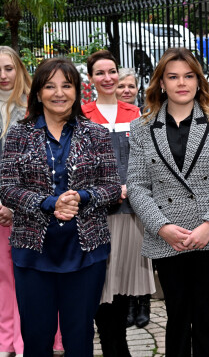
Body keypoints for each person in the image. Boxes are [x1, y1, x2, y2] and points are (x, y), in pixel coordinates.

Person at [0, 57, 121, 357]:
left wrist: (82, 197)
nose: (59, 93)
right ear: (38, 92)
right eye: (50, 86)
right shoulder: (18, 134)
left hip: (85, 252)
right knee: (37, 339)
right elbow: (7, 187)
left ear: (78, 91)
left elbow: (112, 187)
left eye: (66, 85)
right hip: (33, 253)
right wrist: (49, 203)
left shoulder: (96, 134)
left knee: (79, 338)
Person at [127, 47, 209, 356]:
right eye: (173, 77)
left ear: (199, 82)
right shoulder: (142, 127)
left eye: (188, 76)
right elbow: (136, 185)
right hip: (168, 240)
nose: (181, 83)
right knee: (177, 319)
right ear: (161, 83)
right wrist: (162, 227)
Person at [82, 50, 156, 356]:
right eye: (100, 73)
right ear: (91, 79)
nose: (108, 78)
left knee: (124, 283)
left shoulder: (137, 114)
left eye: (111, 71)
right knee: (102, 286)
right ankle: (113, 346)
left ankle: (119, 345)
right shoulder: (82, 114)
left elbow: (147, 158)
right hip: (97, 215)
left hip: (131, 213)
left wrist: (133, 186)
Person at [114, 66, 154, 329]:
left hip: (142, 191)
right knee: (123, 255)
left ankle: (144, 304)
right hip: (117, 194)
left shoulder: (145, 116)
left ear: (138, 89)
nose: (126, 90)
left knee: (143, 251)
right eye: (121, 86)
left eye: (130, 86)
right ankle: (127, 304)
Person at [0, 46, 29, 357]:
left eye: (8, 68)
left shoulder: (33, 110)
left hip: (28, 210)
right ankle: (6, 340)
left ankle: (29, 340)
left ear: (19, 69)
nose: (3, 76)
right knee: (3, 279)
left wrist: (14, 203)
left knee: (29, 277)